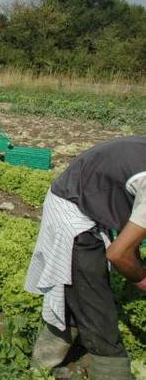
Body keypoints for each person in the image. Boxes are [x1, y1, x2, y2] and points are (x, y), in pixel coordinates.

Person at [24, 136, 146, 380]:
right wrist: (142, 280)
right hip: (72, 211)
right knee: (94, 302)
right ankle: (112, 372)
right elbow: (119, 253)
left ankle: (41, 365)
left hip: (88, 195)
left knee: (72, 289)